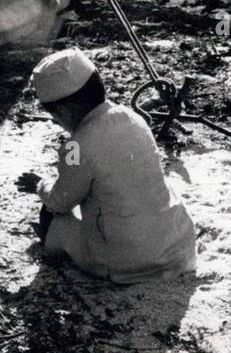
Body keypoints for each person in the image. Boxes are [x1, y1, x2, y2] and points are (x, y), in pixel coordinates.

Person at [17, 48, 197, 283]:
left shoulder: (75, 146)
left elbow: (60, 201)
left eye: (56, 117)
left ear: (65, 110)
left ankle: (57, 244)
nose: (58, 123)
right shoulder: (133, 117)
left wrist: (40, 184)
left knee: (50, 216)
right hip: (177, 246)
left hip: (127, 261)